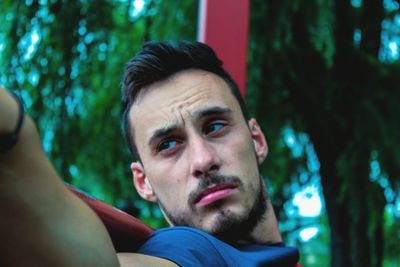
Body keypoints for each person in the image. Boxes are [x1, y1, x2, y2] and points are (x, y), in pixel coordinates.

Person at [0, 41, 299, 266]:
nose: (203, 160)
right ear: (142, 182)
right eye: (168, 145)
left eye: (215, 127)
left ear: (257, 140)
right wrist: (14, 133)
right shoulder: (187, 250)